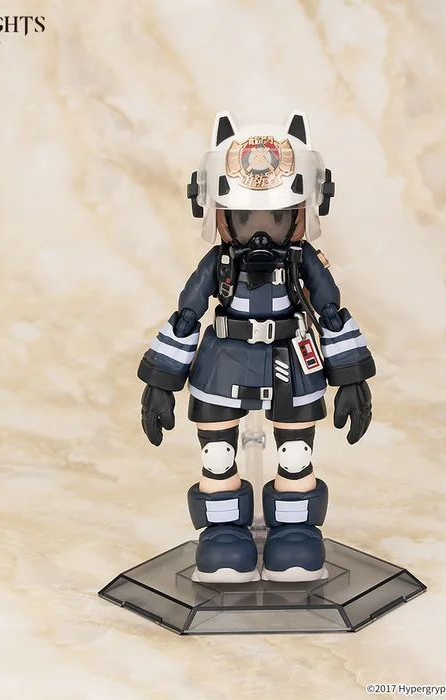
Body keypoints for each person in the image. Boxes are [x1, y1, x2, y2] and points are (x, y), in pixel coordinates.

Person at [138, 111, 375, 583]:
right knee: (217, 456)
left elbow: (330, 313)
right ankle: (224, 533)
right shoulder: (219, 264)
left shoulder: (302, 262)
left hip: (289, 359)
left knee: (295, 455)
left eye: (279, 217)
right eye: (245, 218)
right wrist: (161, 381)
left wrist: (352, 378)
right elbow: (187, 316)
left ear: (302, 212)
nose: (261, 231)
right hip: (224, 361)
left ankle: (295, 532)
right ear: (219, 212)